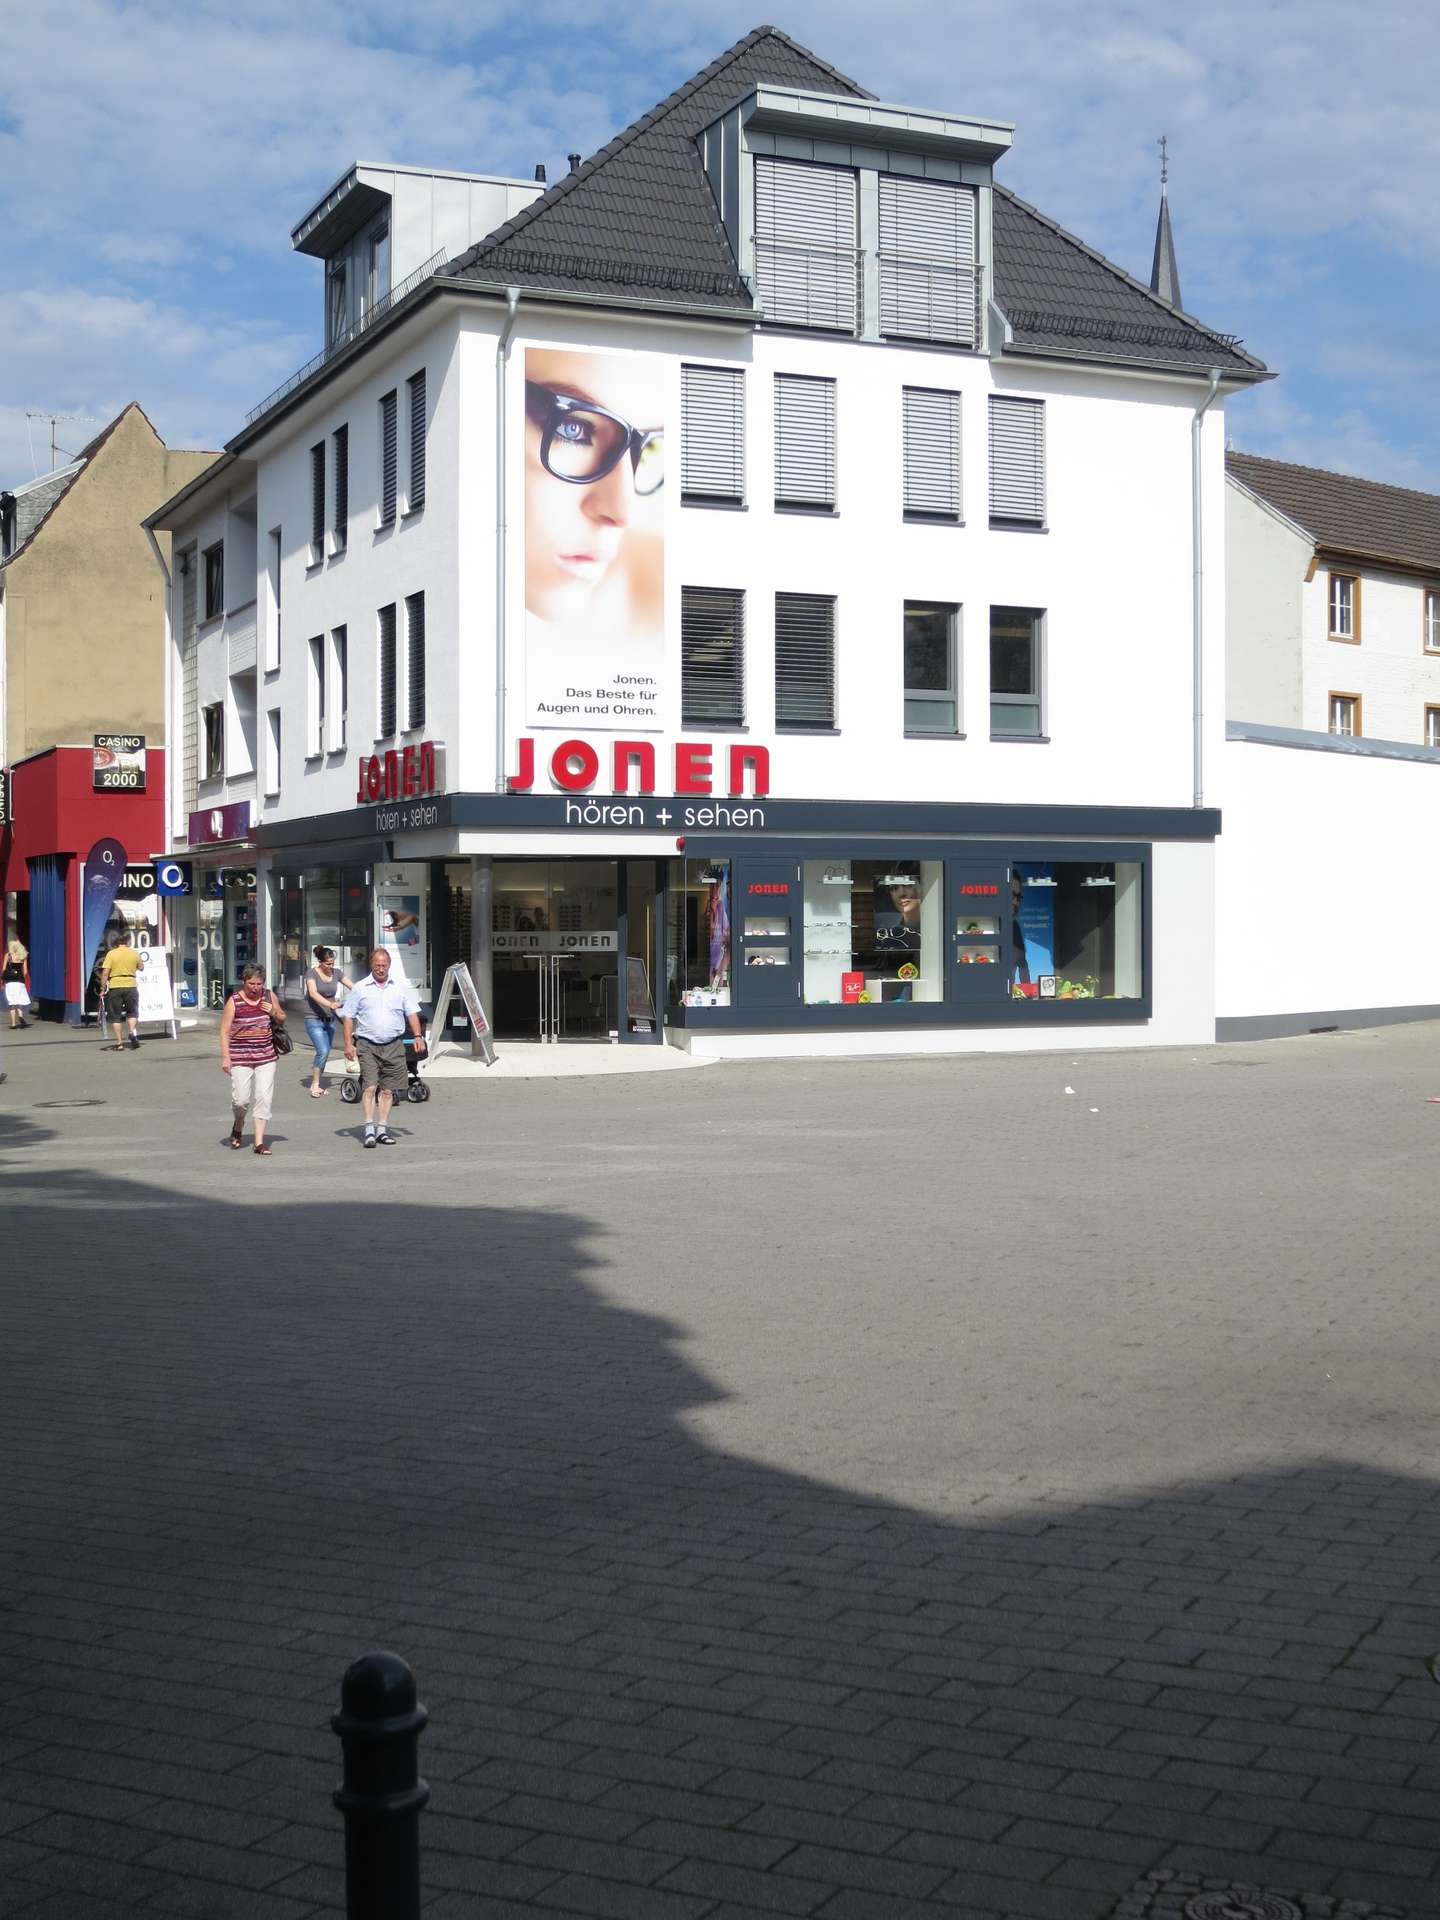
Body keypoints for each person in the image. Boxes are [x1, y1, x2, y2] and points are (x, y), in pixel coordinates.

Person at [341, 946, 423, 1148]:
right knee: (369, 1086)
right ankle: (369, 1129)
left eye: (384, 965)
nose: (380, 969)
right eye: (377, 965)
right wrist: (348, 1045)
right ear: (372, 965)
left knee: (387, 1090)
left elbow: (411, 1012)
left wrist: (418, 1036)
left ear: (389, 966)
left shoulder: (400, 987)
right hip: (367, 1044)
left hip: (393, 1045)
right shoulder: (360, 987)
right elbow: (348, 1017)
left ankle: (382, 1130)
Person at [220, 961, 285, 1156]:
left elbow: (282, 1017)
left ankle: (259, 1142)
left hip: (266, 1056)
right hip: (240, 1057)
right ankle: (238, 1124)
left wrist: (272, 1011)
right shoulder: (234, 1001)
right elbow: (224, 1031)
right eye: (251, 984)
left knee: (264, 1097)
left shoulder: (268, 996)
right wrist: (226, 1058)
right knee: (240, 1100)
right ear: (244, 982)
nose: (255, 988)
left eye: (259, 984)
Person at [302, 945, 353, 1098]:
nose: (330, 966)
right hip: (313, 1018)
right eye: (327, 964)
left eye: (332, 963)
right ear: (320, 962)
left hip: (329, 1019)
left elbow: (353, 986)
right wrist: (330, 1003)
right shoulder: (311, 973)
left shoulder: (337, 973)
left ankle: (318, 1082)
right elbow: (312, 993)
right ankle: (315, 1085)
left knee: (325, 1052)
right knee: (322, 1051)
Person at [100, 931, 146, 1051]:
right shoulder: (134, 953)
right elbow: (141, 967)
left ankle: (120, 1043)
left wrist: (102, 988)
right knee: (132, 1012)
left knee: (115, 1016)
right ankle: (131, 1031)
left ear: (115, 943)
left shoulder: (111, 954)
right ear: (127, 942)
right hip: (131, 985)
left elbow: (105, 972)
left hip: (115, 986)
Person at [4, 938, 31, 1029]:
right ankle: (21, 1016)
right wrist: (21, 977)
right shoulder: (23, 956)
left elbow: (3, 969)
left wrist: (4, 979)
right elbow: (26, 971)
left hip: (10, 981)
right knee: (19, 1000)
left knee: (12, 1002)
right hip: (20, 981)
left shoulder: (8, 955)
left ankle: (13, 1023)